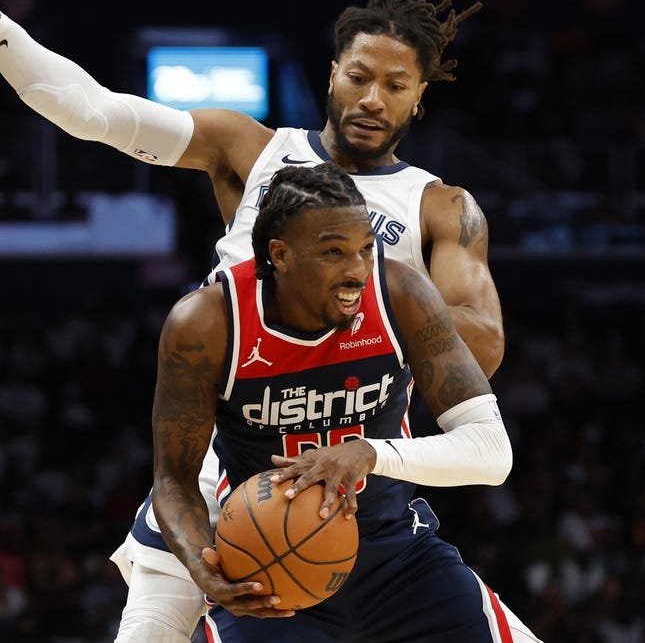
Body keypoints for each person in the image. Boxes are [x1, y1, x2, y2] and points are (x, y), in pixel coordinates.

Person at [0, 0, 505, 641]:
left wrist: (348, 312)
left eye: (395, 85)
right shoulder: (252, 149)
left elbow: (481, 340)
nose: (370, 98)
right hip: (223, 457)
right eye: (358, 76)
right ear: (332, 74)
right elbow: (94, 112)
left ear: (419, 97)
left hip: (349, 474)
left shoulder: (441, 206)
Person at [151, 162, 538, 641]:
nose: (357, 270)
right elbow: (173, 479)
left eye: (365, 250)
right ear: (281, 254)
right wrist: (201, 567)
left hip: (397, 559)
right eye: (334, 252)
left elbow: (492, 452)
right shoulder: (207, 323)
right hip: (269, 576)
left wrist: (368, 452)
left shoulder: (399, 293)